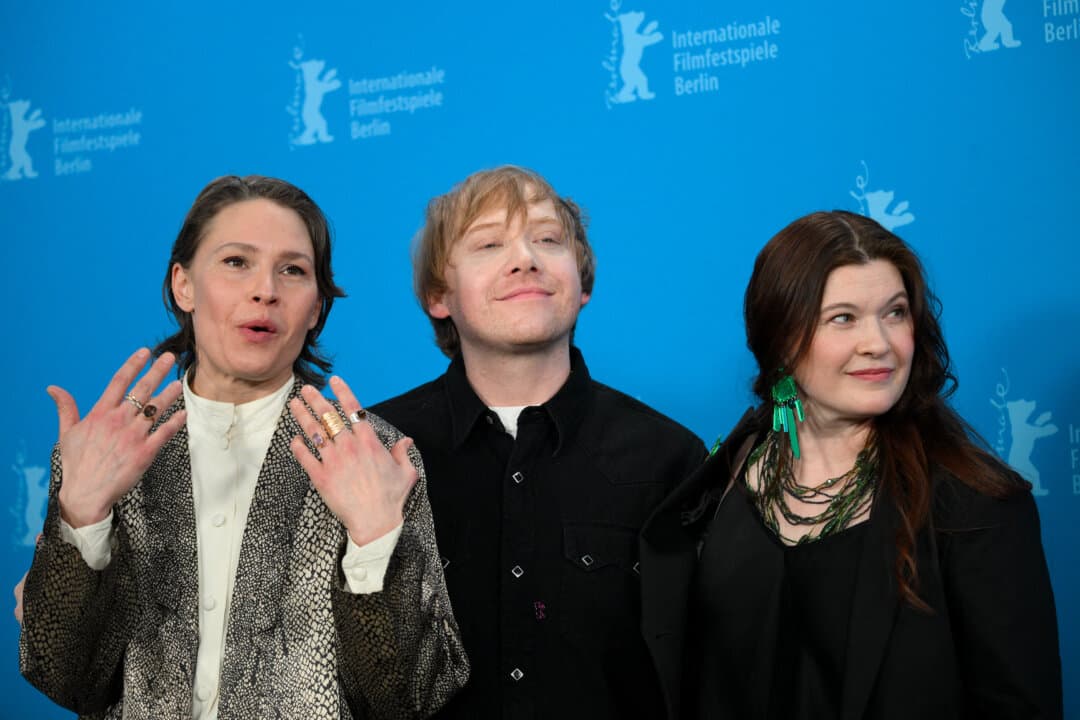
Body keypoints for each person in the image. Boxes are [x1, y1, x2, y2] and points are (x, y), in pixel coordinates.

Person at [18, 175, 468, 719]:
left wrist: (374, 540)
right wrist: (81, 517)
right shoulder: (103, 451)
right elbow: (64, 678)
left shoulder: (377, 456)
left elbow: (410, 697)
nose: (265, 291)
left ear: (316, 308)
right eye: (236, 262)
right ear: (184, 285)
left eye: (293, 270)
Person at [640, 210, 1063, 719]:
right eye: (843, 318)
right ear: (781, 338)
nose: (878, 343)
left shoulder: (975, 504)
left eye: (895, 313)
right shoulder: (725, 477)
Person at [370, 165, 705, 719]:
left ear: (583, 284)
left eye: (548, 240)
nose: (525, 258)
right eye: (489, 244)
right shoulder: (373, 449)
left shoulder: (670, 459)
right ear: (438, 295)